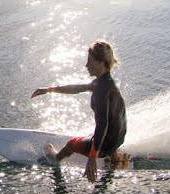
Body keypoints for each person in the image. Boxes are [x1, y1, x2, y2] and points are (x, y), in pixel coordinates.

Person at [30, 40, 127, 181]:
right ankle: (114, 155)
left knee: (73, 143)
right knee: (103, 128)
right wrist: (49, 90)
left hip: (106, 146)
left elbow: (102, 124)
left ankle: (55, 158)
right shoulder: (107, 83)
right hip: (119, 138)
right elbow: (78, 88)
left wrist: (92, 158)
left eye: (90, 61)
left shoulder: (101, 90)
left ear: (101, 63)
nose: (86, 65)